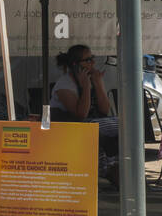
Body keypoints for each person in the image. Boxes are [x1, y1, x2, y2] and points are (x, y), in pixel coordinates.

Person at [49, 44, 119, 186]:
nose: (92, 63)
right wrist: (86, 87)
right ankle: (106, 168)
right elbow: (80, 114)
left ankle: (115, 164)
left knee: (124, 125)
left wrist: (99, 84)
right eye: (88, 60)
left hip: (91, 124)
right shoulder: (65, 84)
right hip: (68, 128)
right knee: (92, 128)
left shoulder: (91, 79)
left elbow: (104, 110)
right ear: (76, 65)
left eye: (92, 59)